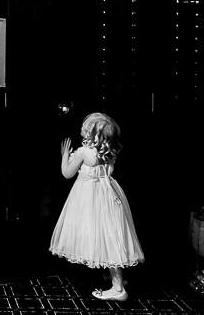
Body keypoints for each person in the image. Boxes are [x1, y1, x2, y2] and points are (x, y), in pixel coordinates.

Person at [49, 112, 144, 302]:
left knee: (103, 239)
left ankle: (118, 289)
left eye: (85, 128)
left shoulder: (84, 152)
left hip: (89, 197)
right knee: (112, 236)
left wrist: (65, 156)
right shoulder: (109, 151)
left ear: (91, 132)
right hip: (108, 195)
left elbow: (67, 173)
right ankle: (118, 279)